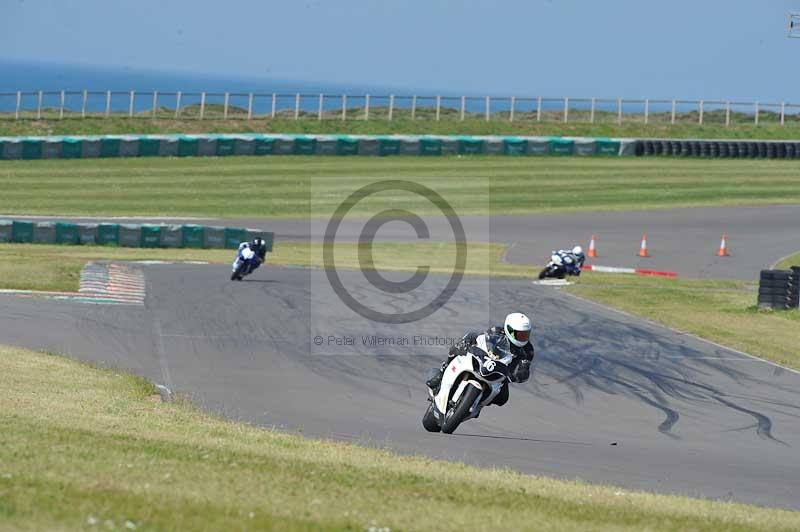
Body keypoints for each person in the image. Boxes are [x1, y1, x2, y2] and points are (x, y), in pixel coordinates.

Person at [425, 312, 534, 406]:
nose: (523, 338)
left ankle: (477, 403)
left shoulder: (528, 350)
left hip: (502, 375)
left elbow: (525, 369)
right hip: (484, 360)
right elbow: (479, 338)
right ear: (509, 330)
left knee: (502, 399)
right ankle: (443, 371)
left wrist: (518, 376)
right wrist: (468, 342)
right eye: (520, 335)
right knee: (459, 347)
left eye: (525, 335)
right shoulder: (496, 331)